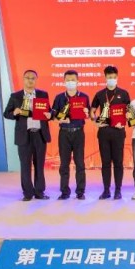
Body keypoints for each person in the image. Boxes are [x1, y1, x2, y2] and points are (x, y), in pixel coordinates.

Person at [3, 69, 51, 201]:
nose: (30, 80)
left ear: (36, 80)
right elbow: (6, 113)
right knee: (25, 165)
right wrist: (14, 112)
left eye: (33, 78)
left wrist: (50, 114)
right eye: (27, 78)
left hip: (40, 135)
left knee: (39, 165)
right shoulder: (15, 96)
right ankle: (28, 193)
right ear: (23, 79)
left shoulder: (43, 94)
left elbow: (49, 110)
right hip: (24, 135)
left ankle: (40, 192)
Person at [90, 66, 131, 200]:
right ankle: (106, 190)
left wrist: (124, 121)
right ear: (105, 78)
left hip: (118, 132)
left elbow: (129, 113)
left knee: (118, 163)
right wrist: (95, 122)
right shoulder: (100, 94)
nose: (111, 79)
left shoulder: (124, 94)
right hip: (104, 132)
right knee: (105, 163)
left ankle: (118, 190)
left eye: (113, 77)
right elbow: (92, 111)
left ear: (117, 77)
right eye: (109, 77)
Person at [50, 70, 89, 200]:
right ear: (64, 81)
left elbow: (88, 114)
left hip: (78, 133)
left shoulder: (84, 97)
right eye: (68, 80)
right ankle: (64, 192)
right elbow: (53, 116)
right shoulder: (59, 97)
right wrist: (60, 120)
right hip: (64, 133)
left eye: (73, 80)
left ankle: (80, 192)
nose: (70, 82)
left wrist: (87, 113)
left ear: (78, 81)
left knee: (80, 163)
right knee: (64, 164)